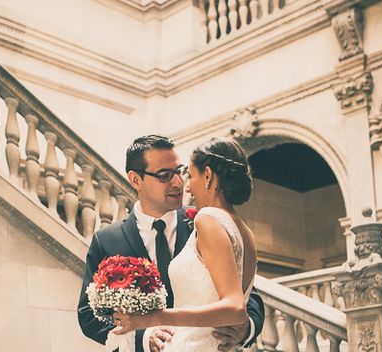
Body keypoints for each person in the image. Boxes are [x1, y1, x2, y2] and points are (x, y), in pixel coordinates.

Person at [77, 135, 264, 352]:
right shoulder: (107, 240)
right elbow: (89, 315)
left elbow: (244, 293)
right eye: (165, 175)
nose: (179, 184)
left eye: (180, 172)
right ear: (136, 180)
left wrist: (245, 329)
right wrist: (143, 336)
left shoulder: (205, 221)